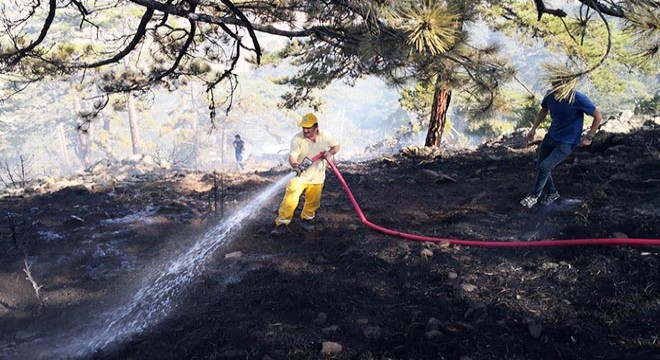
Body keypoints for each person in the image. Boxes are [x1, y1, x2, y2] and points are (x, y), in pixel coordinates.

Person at [520, 85, 602, 208]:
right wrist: (533, 129)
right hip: (551, 137)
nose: (557, 88)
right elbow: (544, 110)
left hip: (568, 141)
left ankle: (533, 196)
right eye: (555, 85)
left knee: (544, 167)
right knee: (541, 167)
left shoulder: (578, 98)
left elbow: (598, 116)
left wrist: (589, 137)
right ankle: (552, 193)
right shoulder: (550, 95)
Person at [272, 113, 341, 235]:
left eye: (308, 127)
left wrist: (329, 153)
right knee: (290, 200)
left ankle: (307, 220)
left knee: (313, 202)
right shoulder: (297, 139)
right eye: (304, 127)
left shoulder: (325, 136)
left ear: (316, 127)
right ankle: (282, 223)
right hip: (299, 177)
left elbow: (336, 146)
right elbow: (292, 157)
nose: (306, 130)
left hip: (317, 177)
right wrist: (295, 165)